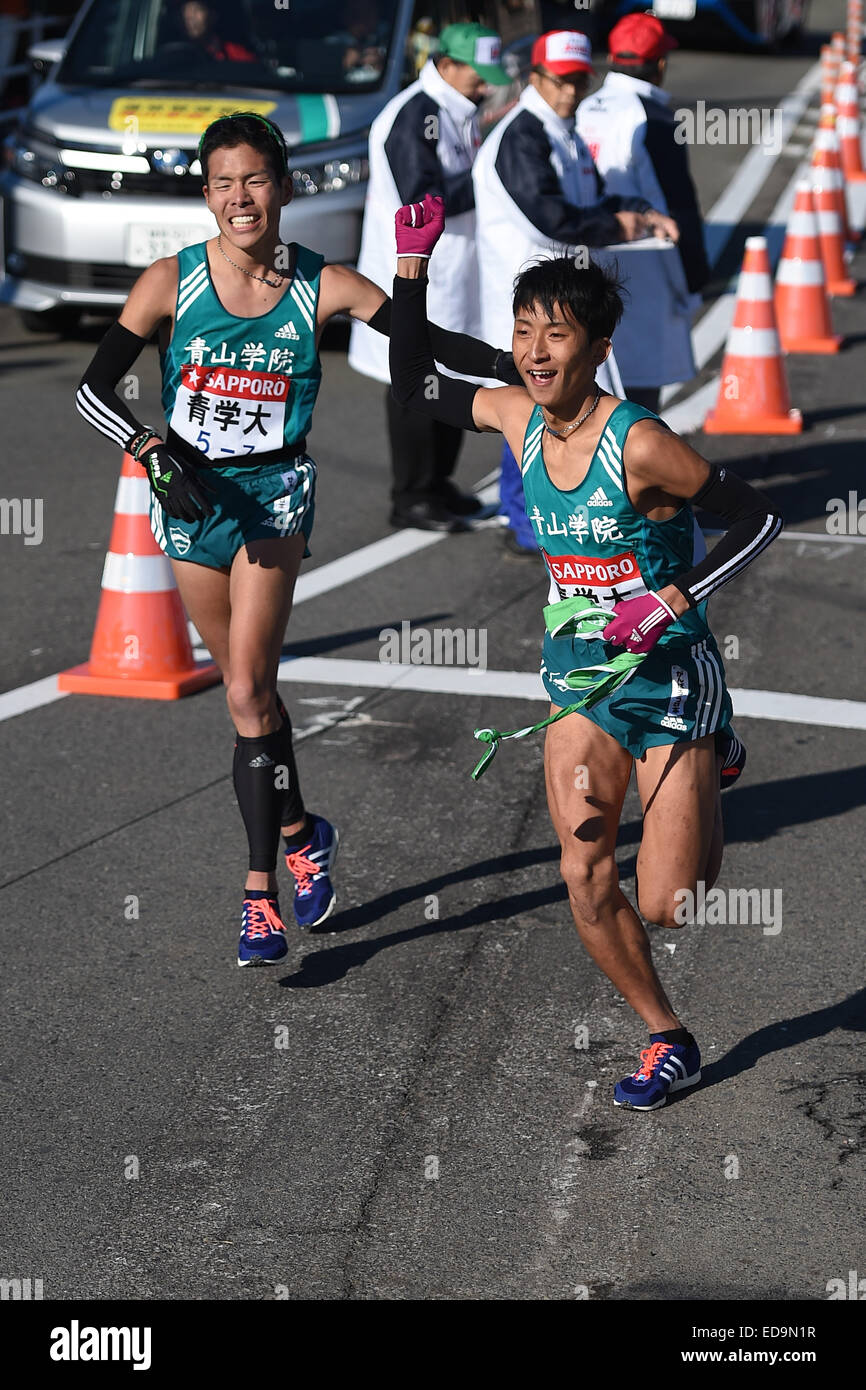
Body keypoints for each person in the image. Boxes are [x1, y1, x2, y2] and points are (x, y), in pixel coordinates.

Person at [74, 114, 523, 967]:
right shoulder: (169, 282)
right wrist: (148, 449)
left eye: (254, 180)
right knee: (255, 704)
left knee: (245, 688)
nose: (239, 197)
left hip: (275, 496)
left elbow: (423, 359)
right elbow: (94, 390)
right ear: (206, 195)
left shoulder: (327, 285)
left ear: (281, 186)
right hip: (192, 501)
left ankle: (258, 898)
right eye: (222, 183)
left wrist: (513, 362)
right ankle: (303, 828)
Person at [388, 195, 780, 1110]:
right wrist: (411, 266)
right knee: (583, 866)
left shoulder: (640, 443)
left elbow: (758, 517)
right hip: (582, 684)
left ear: (596, 348)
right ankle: (666, 1034)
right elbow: (414, 384)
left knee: (671, 903)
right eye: (523, 331)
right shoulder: (519, 417)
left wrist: (670, 595)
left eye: (554, 334)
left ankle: (716, 746)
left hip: (672, 678)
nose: (534, 350)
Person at [471, 29, 679, 556]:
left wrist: (636, 208)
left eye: (579, 80)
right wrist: (621, 224)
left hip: (557, 296)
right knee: (535, 401)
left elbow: (591, 193)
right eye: (560, 80)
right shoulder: (521, 136)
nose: (570, 90)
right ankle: (523, 519)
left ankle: (550, 511)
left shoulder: (559, 126)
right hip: (526, 298)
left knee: (561, 400)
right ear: (535, 77)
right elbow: (553, 216)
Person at [348, 22, 511, 533]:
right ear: (447, 64)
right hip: (416, 275)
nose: (485, 86)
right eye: (477, 76)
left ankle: (439, 484)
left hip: (453, 275)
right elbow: (422, 200)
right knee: (417, 382)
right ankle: (412, 495)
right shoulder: (414, 116)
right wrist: (488, 176)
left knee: (455, 378)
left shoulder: (457, 110)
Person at [576, 13, 710, 413]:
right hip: (644, 271)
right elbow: (678, 204)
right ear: (661, 64)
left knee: (587, 391)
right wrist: (695, 276)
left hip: (583, 260)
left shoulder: (584, 107)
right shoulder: (653, 119)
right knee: (638, 404)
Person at [179, 1, 255, 63]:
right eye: (185, 10)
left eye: (196, 9)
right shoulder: (174, 57)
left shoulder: (235, 54)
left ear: (213, 16)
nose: (189, 17)